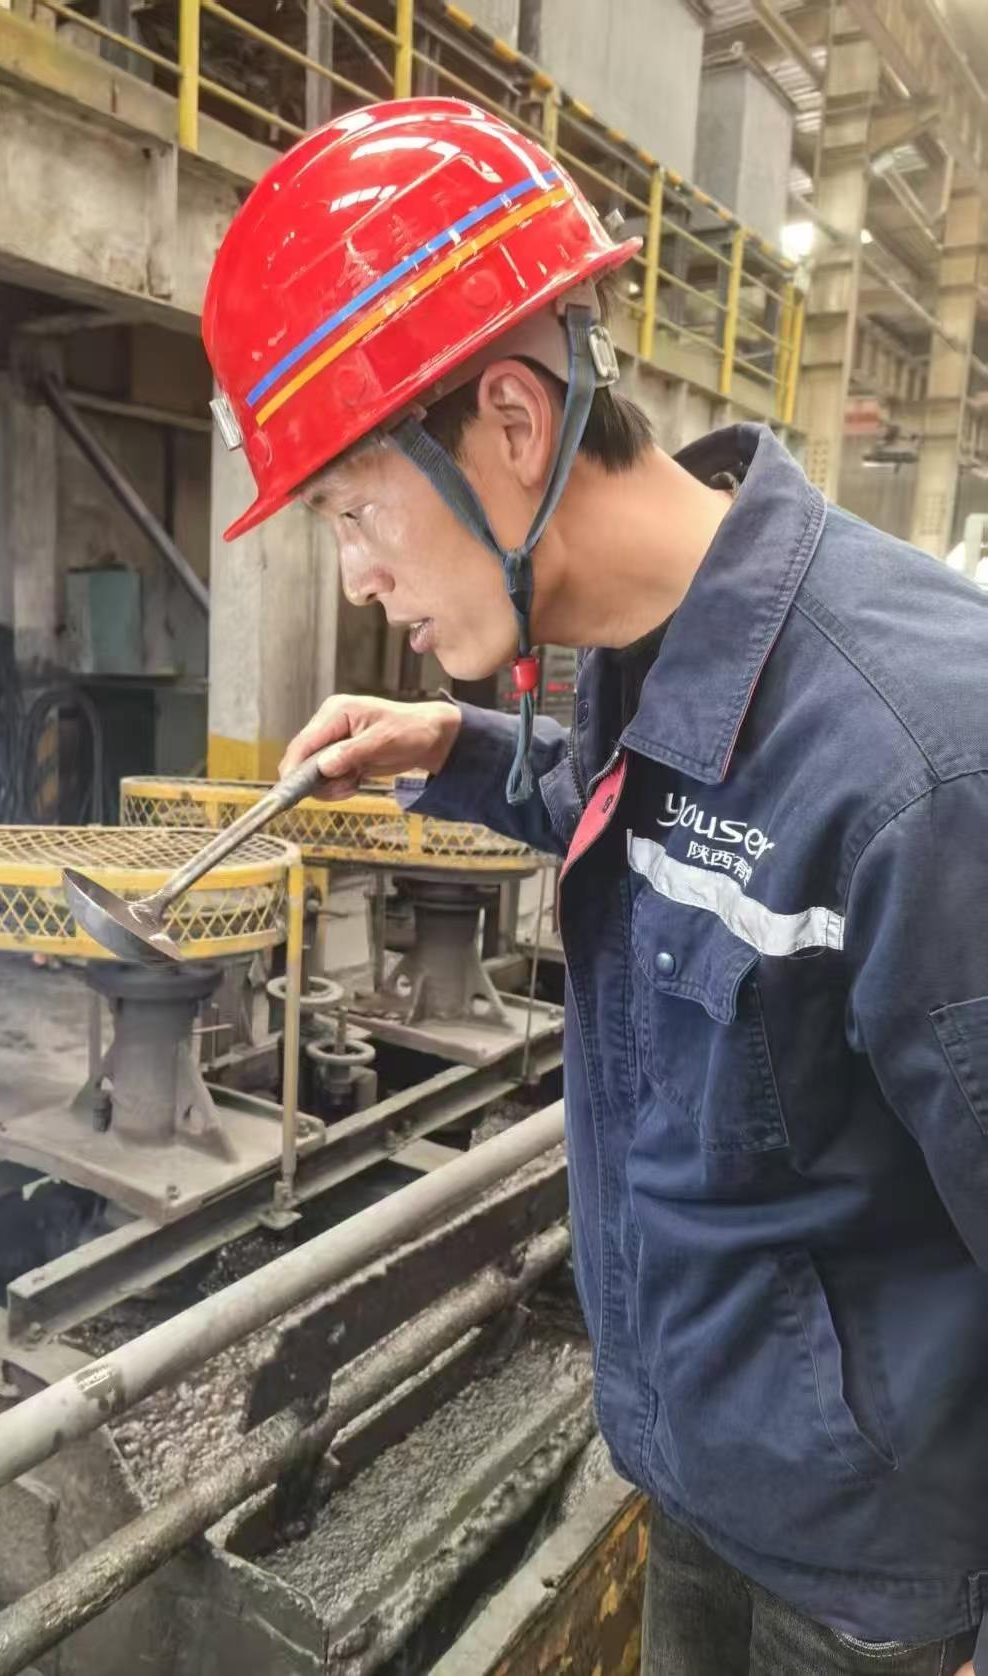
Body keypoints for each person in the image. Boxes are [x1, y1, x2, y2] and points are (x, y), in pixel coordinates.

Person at [202, 97, 988, 1676]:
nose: (357, 574)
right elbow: (656, 821)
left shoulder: (922, 762)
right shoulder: (634, 655)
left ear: (510, 417)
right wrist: (455, 743)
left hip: (877, 1591)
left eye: (356, 509)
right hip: (701, 1486)